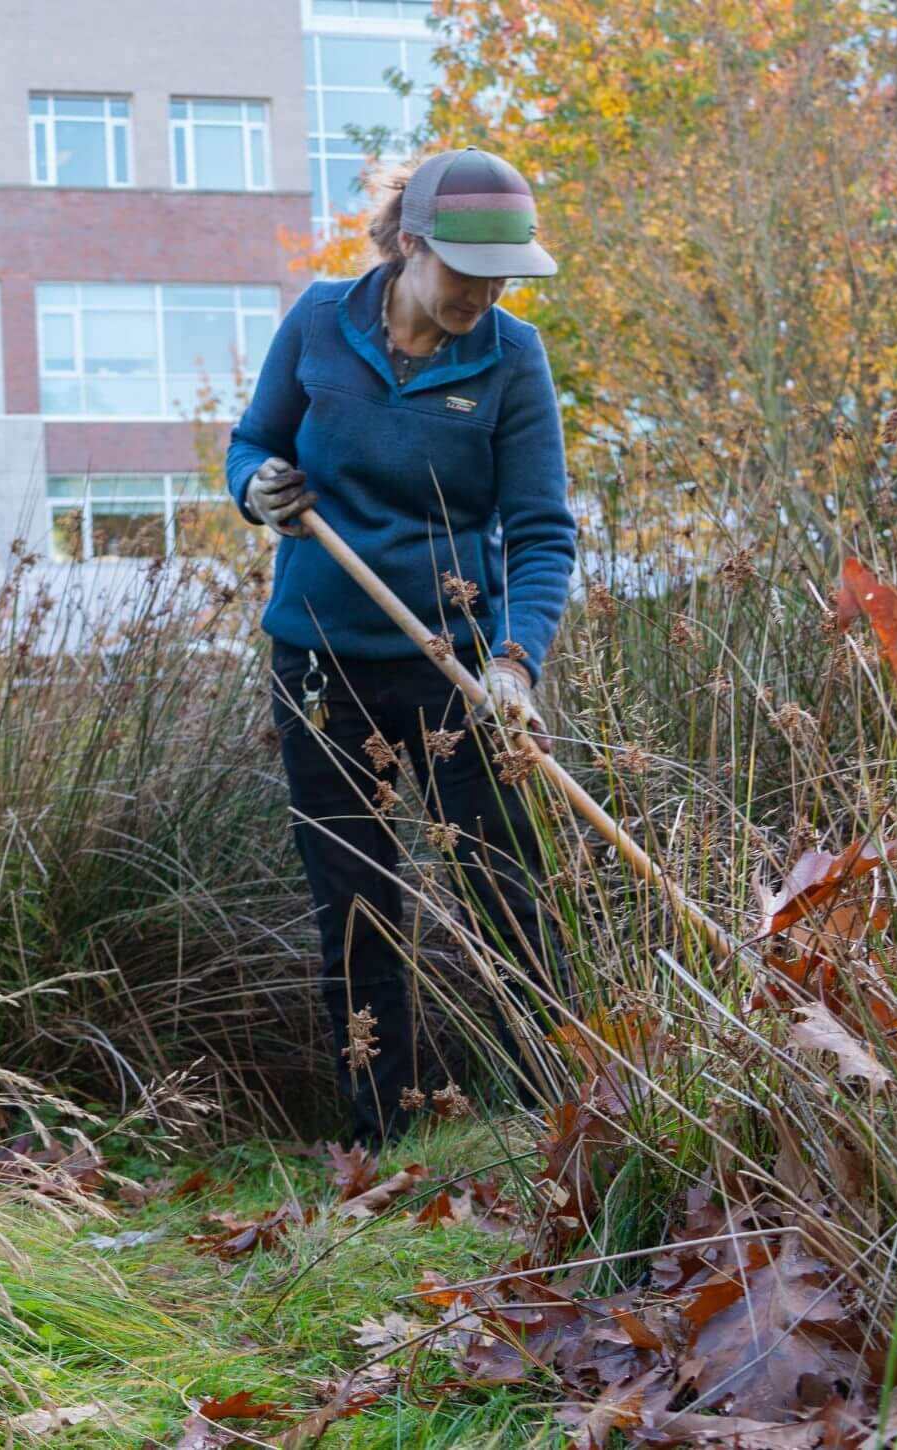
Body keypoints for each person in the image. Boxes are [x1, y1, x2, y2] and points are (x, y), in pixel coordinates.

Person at [224, 148, 578, 1149]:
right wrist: (257, 491)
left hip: (457, 672)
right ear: (410, 243)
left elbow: (543, 531)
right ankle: (383, 1144)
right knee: (358, 909)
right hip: (321, 668)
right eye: (467, 266)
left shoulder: (513, 359)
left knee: (507, 894)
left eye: (504, 271)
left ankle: (551, 1124)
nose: (486, 290)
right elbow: (252, 447)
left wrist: (514, 662)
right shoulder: (318, 325)